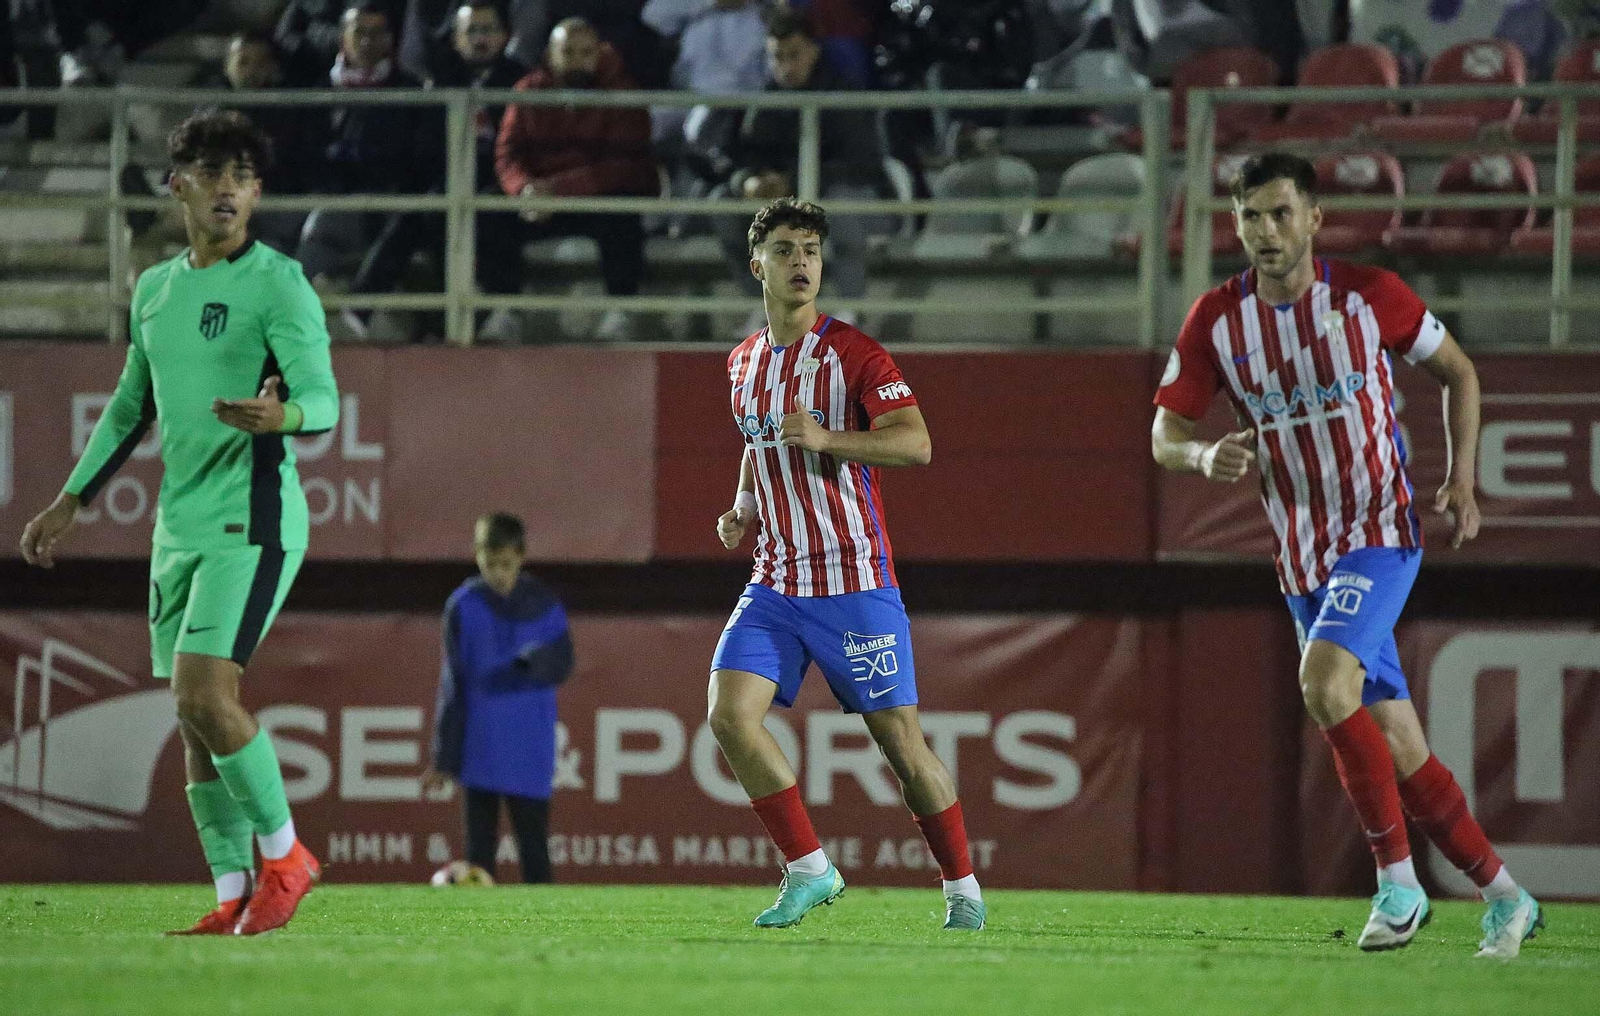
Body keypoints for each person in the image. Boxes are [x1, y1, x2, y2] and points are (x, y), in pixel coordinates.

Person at [1150, 153, 1543, 959]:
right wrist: (1200, 459)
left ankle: (1396, 884)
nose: (1266, 231)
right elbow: (1165, 434)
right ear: (1235, 225)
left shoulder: (1370, 295)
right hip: (1302, 560)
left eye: (1281, 213)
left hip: (1378, 530)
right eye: (1251, 217)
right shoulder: (1216, 322)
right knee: (1398, 742)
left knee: (1324, 684)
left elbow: (1457, 372)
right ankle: (1506, 894)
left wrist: (1463, 479)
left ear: (1315, 217)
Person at [18, 110, 338, 937]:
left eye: (242, 175)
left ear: (257, 193)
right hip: (179, 525)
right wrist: (72, 499)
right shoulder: (157, 289)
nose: (227, 187)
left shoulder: (279, 282)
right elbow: (132, 405)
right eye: (211, 171)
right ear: (179, 186)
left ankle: (286, 857)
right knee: (193, 715)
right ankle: (234, 890)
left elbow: (325, 398)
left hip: (254, 519)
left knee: (205, 691)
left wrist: (285, 416)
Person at [709, 197, 984, 931]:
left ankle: (962, 889)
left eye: (811, 250)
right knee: (728, 716)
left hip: (852, 579)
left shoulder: (855, 355)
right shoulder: (742, 362)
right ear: (756, 264)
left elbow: (916, 444)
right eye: (787, 250)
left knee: (902, 749)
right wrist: (743, 506)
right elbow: (756, 438)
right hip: (773, 578)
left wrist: (828, 439)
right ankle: (809, 870)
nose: (802, 262)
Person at [701, 10, 888, 336]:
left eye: (794, 55)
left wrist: (795, 182)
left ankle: (851, 310)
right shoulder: (764, 101)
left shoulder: (844, 96)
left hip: (843, 190)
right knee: (722, 204)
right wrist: (748, 181)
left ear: (814, 51)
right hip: (783, 197)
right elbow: (737, 157)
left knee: (841, 207)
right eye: (778, 57)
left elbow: (861, 164)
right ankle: (760, 307)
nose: (786, 66)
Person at [425, 513, 574, 884]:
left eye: (505, 564)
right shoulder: (461, 606)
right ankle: (480, 938)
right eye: (489, 564)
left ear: (521, 557)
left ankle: (546, 933)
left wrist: (530, 662)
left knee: (534, 848)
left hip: (529, 746)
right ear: (477, 557)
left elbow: (564, 662)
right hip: (480, 746)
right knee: (478, 855)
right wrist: (444, 758)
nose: (498, 574)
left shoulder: (545, 604)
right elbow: (452, 685)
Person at [495, 17, 657, 342]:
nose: (577, 60)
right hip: (539, 202)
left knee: (623, 215)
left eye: (585, 52)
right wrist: (523, 189)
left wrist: (556, 190)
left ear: (599, 53)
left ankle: (620, 310)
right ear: (550, 55)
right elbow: (507, 154)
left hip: (597, 198)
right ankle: (503, 309)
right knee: (489, 214)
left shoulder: (623, 91)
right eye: (567, 52)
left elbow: (622, 165)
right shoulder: (528, 91)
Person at [293, 3, 446, 339]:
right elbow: (307, 153)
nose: (368, 41)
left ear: (391, 39)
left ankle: (359, 316)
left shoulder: (412, 89)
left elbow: (421, 158)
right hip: (335, 199)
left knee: (412, 219)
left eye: (378, 33)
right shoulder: (319, 90)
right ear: (342, 38)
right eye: (359, 32)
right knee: (314, 222)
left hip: (390, 199)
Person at [217, 31, 326, 254]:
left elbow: (296, 170)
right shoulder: (210, 111)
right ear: (228, 67)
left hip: (273, 205)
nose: (251, 71)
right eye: (243, 62)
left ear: (273, 68)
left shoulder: (291, 112)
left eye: (260, 63)